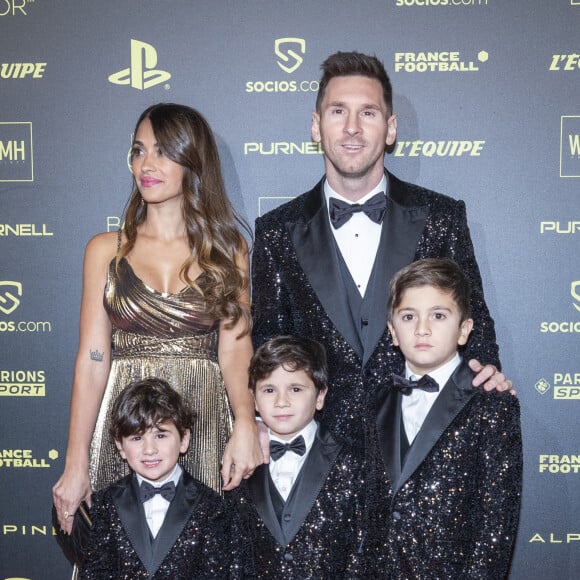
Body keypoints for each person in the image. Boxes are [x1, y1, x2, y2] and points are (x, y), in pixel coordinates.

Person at [251, 51, 511, 451]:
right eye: (338, 112)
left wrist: (485, 372)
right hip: (321, 462)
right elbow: (267, 343)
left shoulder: (441, 216)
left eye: (368, 113)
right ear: (316, 126)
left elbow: (474, 322)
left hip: (421, 451)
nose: (352, 128)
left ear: (390, 129)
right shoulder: (276, 230)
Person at [53, 103, 262, 536]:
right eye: (139, 150)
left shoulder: (228, 250)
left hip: (203, 422)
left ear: (193, 161)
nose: (146, 164)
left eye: (163, 152)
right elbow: (92, 361)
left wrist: (245, 422)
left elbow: (236, 347)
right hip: (124, 423)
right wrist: (75, 463)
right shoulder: (103, 251)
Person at [373, 258, 522, 578]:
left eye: (438, 316)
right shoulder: (373, 404)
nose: (422, 329)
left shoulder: (492, 406)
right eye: (408, 316)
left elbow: (494, 530)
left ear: (464, 329)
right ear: (393, 332)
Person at [234, 336, 369, 578]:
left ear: (320, 396)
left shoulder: (353, 462)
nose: (281, 401)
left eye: (295, 389)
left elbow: (362, 551)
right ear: (253, 399)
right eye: (269, 390)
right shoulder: (240, 462)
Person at [78, 377, 237, 578]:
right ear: (120, 446)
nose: (150, 449)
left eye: (160, 435)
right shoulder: (104, 505)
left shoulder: (212, 507)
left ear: (184, 439)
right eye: (137, 438)